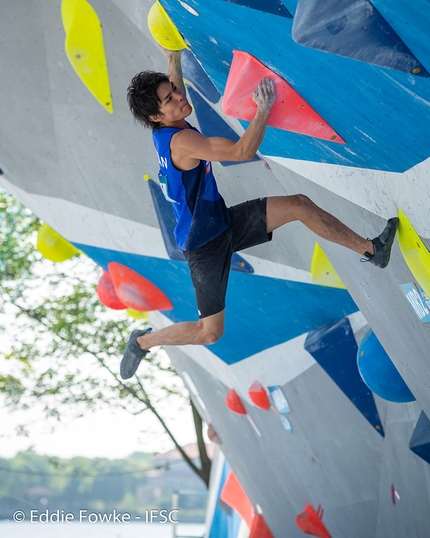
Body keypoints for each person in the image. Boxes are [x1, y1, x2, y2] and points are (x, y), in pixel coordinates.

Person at [121, 49, 398, 380]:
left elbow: (170, 89)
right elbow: (241, 151)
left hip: (222, 221)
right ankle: (142, 341)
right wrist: (262, 110)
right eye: (170, 98)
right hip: (203, 246)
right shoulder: (181, 141)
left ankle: (372, 250)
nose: (179, 97)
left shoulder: (165, 124)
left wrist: (173, 59)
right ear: (157, 117)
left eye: (174, 90)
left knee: (299, 204)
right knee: (209, 333)